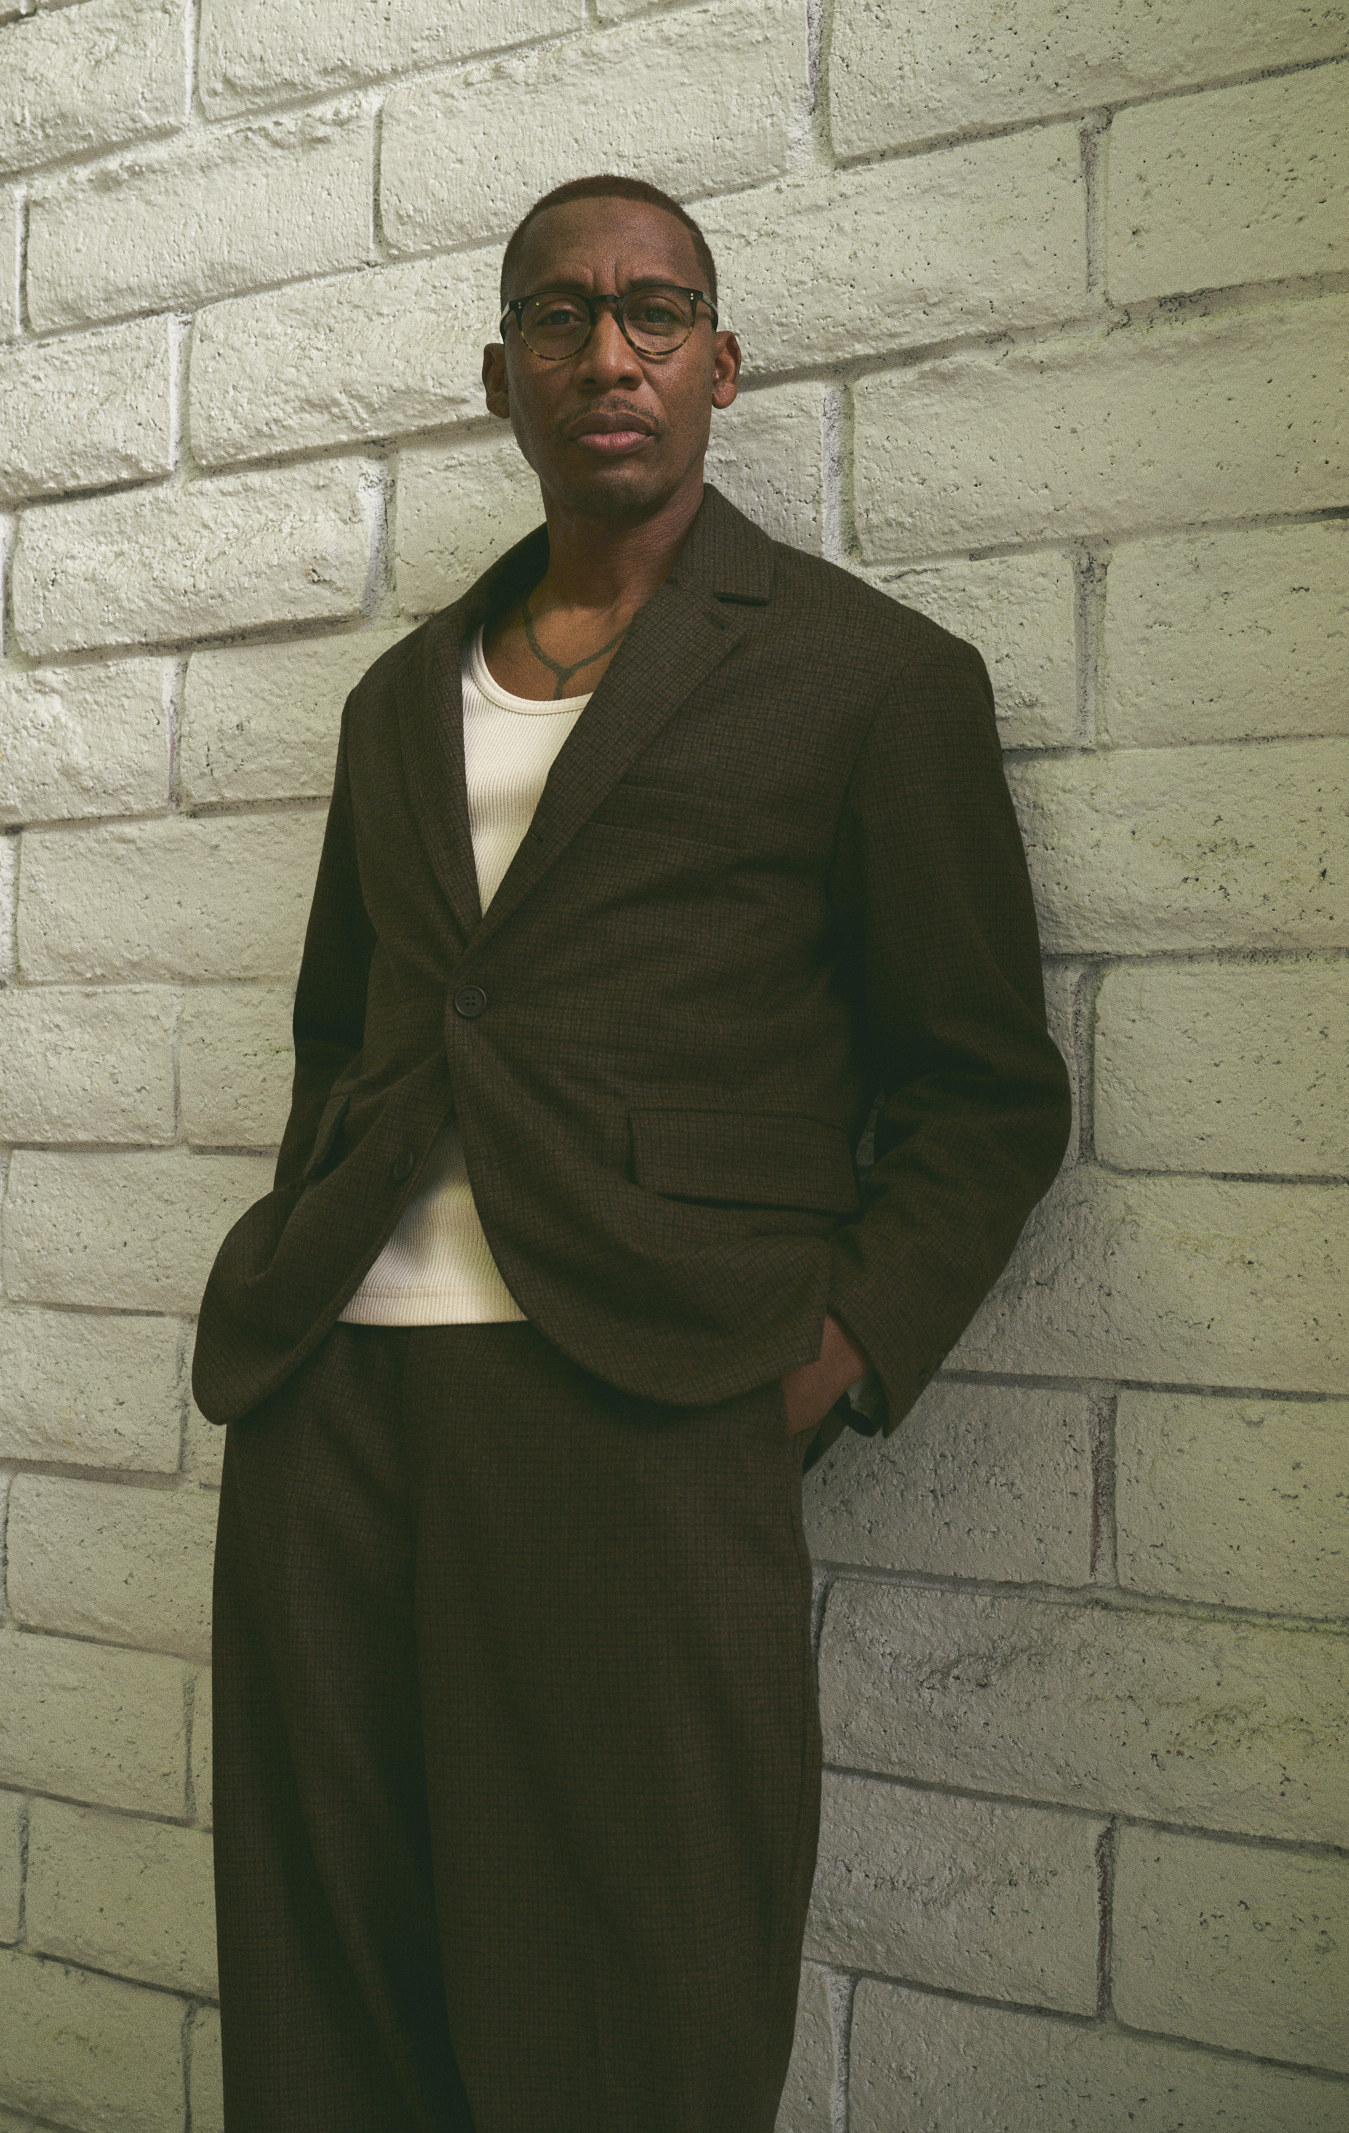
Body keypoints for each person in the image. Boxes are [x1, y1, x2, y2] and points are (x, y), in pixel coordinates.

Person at [194, 174, 1072, 2133]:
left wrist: (828, 1353)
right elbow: (345, 1034)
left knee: (631, 2001)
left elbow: (984, 1088)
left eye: (654, 311)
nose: (609, 352)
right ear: (497, 372)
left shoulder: (869, 677)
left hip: (640, 1406)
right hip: (334, 1414)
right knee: (333, 1991)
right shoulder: (396, 698)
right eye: (560, 315)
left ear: (719, 363)